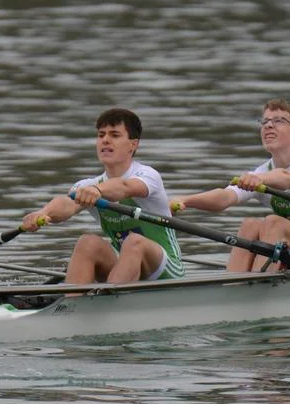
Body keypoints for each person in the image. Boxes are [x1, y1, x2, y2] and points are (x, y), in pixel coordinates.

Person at [171, 98, 290, 271]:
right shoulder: (262, 172)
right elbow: (224, 198)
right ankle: (234, 282)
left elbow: (288, 178)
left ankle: (258, 283)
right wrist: (185, 200)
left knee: (274, 222)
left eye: (278, 121)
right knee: (250, 225)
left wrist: (261, 180)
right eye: (265, 121)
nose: (268, 125)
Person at [22, 108, 184, 284]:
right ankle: (74, 300)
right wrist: (43, 213)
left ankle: (111, 296)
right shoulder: (89, 185)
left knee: (134, 242)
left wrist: (98, 190)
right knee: (87, 243)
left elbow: (124, 187)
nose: (105, 140)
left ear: (133, 144)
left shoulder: (147, 175)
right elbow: (67, 204)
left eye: (114, 135)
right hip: (123, 263)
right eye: (101, 135)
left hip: (165, 268)